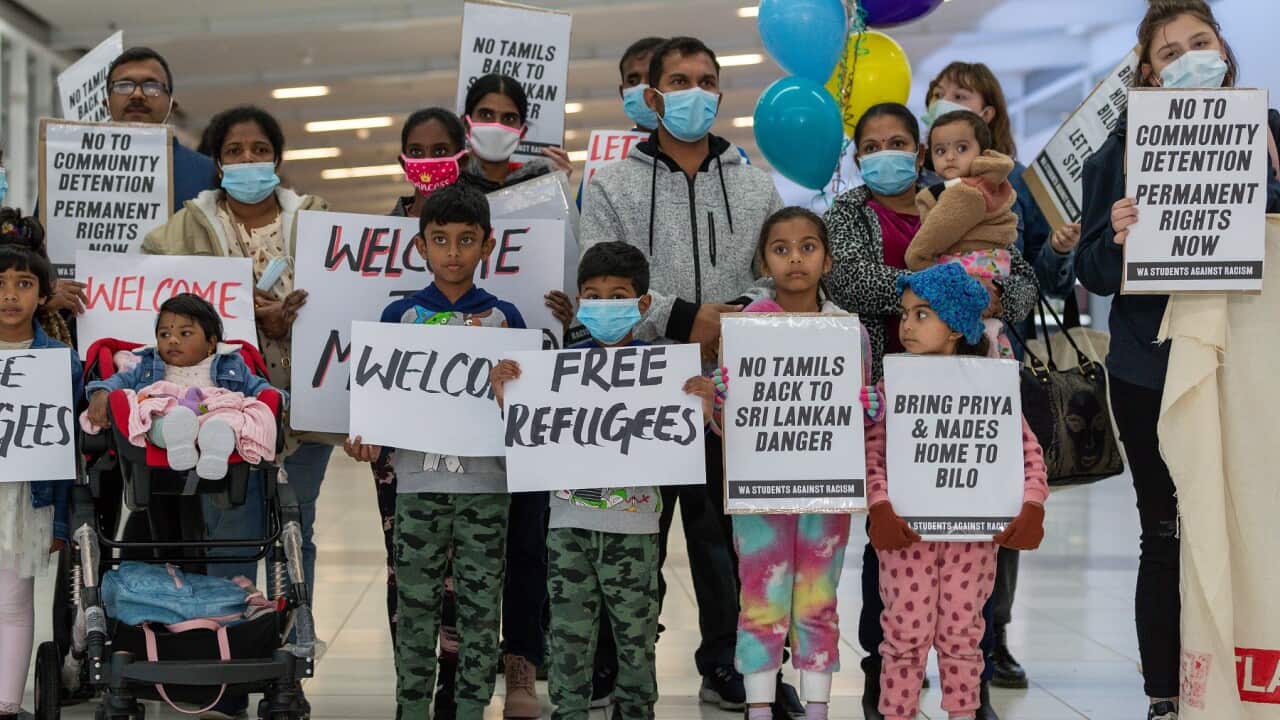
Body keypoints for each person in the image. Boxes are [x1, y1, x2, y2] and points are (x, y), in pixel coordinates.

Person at [1076, 3, 1280, 718]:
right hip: (1150, 366)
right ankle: (1171, 694)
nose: (1191, 58)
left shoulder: (1269, 132)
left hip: (1251, 365)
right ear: (1148, 72)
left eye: (1201, 42)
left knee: (1255, 521)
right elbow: (1093, 271)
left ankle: (1255, 680)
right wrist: (1121, 236)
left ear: (1223, 48)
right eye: (1171, 52)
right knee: (1166, 531)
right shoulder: (1118, 153)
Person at [581, 35, 787, 712]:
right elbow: (600, 281)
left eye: (706, 79)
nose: (694, 91)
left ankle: (727, 662)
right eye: (679, 79)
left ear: (720, 95)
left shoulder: (756, 184)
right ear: (653, 94)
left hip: (729, 390)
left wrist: (739, 320)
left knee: (723, 539)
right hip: (638, 383)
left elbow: (775, 274)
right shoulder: (610, 184)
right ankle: (615, 662)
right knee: (629, 533)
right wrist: (689, 319)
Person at [823, 102, 1039, 720]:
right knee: (893, 550)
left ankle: (971, 690)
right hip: (888, 389)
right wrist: (941, 292)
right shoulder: (849, 212)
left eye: (897, 141)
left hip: (971, 390)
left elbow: (1021, 284)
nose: (884, 151)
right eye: (871, 144)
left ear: (918, 152)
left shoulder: (961, 195)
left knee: (975, 542)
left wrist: (985, 290)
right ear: (858, 154)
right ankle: (885, 683)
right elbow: (851, 283)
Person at [140, 104, 330, 720]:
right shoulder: (184, 228)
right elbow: (149, 283)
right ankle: (229, 667)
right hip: (219, 407)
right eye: (235, 151)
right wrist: (248, 312)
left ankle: (289, 661)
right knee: (230, 536)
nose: (248, 161)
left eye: (259, 149)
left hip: (303, 406)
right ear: (216, 161)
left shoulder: (318, 220)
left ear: (277, 157)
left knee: (295, 532)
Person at [490, 241, 716, 720]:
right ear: (578, 301)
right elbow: (531, 430)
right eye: (593, 295)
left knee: (636, 640)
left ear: (643, 304)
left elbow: (685, 435)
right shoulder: (556, 368)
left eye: (619, 296)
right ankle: (568, 712)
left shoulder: (664, 369)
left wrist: (702, 402)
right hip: (568, 528)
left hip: (634, 531)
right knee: (569, 639)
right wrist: (508, 392)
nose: (606, 305)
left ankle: (637, 711)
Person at [924, 61, 1083, 688]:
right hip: (925, 364)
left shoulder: (1017, 183)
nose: (943, 106)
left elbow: (1042, 280)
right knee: (929, 498)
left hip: (997, 362)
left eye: (958, 98)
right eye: (936, 98)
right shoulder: (919, 180)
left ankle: (994, 636)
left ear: (986, 114)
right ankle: (931, 634)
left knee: (999, 499)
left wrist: (1055, 253)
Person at [344, 182, 524, 720]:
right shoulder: (397, 320)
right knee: (415, 607)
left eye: (466, 240)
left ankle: (469, 708)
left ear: (487, 245)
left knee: (477, 608)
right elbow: (371, 402)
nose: (453, 252)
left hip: (487, 491)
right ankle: (410, 707)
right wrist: (364, 435)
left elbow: (528, 413)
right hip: (417, 488)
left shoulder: (505, 319)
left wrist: (511, 385)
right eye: (440, 240)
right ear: (420, 247)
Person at [707, 207, 877, 720]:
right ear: (764, 260)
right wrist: (719, 402)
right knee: (760, 597)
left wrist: (871, 407)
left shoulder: (848, 331)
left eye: (808, 246)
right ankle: (759, 705)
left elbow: (858, 421)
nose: (795, 258)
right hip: (760, 495)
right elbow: (725, 425)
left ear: (827, 259)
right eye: (781, 248)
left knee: (818, 598)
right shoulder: (745, 328)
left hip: (826, 493)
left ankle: (819, 706)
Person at [866, 262, 1049, 720]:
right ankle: (896, 713)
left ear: (956, 329)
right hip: (907, 539)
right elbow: (873, 455)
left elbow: (1028, 452)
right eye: (904, 314)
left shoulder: (992, 386)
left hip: (972, 541)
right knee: (904, 637)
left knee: (964, 636)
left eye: (922, 315)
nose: (907, 324)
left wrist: (1032, 505)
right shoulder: (890, 388)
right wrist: (880, 506)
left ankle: (964, 712)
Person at [459, 75, 574, 717]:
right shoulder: (443, 198)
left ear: (524, 127)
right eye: (485, 113)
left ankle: (523, 667)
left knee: (530, 537)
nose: (497, 123)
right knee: (467, 544)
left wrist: (570, 304)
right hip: (455, 401)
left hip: (535, 391)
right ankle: (467, 671)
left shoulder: (547, 194)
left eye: (509, 115)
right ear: (468, 121)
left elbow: (582, 274)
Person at [45, 48, 220, 318]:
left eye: (151, 86)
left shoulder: (207, 174)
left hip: (182, 332)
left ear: (172, 104)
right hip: (84, 326)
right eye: (124, 85)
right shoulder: (66, 169)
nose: (137, 94)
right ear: (106, 104)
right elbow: (38, 252)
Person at [0, 214, 79, 720]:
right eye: (0, 284)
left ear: (44, 294)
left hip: (27, 496)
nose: (10, 295)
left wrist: (61, 520)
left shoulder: (60, 361)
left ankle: (6, 701)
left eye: (24, 284)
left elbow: (65, 451)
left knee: (13, 599)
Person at [82, 294, 280, 480]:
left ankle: (215, 454)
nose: (173, 340)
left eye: (185, 333)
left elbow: (260, 388)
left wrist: (279, 403)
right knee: (151, 414)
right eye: (164, 334)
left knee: (233, 416)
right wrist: (103, 392)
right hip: (168, 419)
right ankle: (179, 443)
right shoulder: (147, 365)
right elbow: (121, 381)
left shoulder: (232, 365)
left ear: (211, 342)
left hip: (213, 417)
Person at [909, 111, 1019, 358]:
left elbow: (919, 252)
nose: (949, 156)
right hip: (987, 281)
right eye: (940, 150)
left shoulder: (963, 194)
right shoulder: (991, 185)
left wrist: (926, 275)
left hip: (966, 287)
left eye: (961, 148)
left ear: (982, 152)